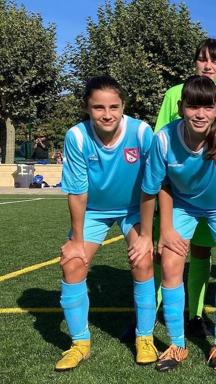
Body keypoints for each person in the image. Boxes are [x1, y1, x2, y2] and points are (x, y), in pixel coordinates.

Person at [136, 75, 216, 371]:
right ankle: (177, 344)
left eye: (207, 107)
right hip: (182, 206)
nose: (200, 114)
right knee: (170, 263)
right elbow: (155, 187)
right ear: (181, 107)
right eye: (193, 107)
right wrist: (157, 231)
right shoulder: (165, 139)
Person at [55, 75, 156, 371]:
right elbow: (77, 192)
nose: (107, 114)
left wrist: (147, 234)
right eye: (98, 107)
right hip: (94, 211)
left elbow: (152, 186)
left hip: (134, 209)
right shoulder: (76, 136)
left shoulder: (141, 133)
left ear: (123, 105)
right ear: (87, 108)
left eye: (114, 106)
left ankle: (144, 338)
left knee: (143, 260)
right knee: (72, 262)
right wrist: (76, 238)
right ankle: (79, 343)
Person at [153, 38, 216, 339]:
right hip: (180, 193)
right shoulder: (174, 94)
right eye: (202, 59)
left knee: (202, 254)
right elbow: (163, 143)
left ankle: (195, 314)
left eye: (215, 60)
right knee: (168, 253)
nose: (208, 65)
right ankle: (153, 312)